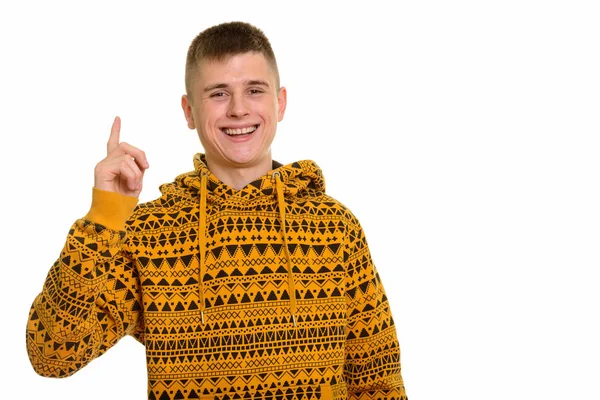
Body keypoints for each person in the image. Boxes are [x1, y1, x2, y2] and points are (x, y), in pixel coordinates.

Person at [26, 21, 408, 400]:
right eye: (218, 94)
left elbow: (378, 381)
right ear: (189, 111)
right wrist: (105, 216)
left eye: (254, 90)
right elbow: (52, 355)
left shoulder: (334, 226)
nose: (239, 109)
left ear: (280, 103)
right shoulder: (150, 233)